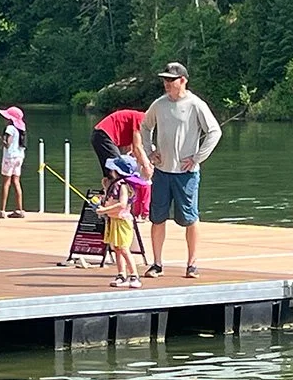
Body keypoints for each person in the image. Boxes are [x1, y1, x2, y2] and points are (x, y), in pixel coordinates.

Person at [140, 62, 222, 279]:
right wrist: (150, 151)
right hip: (162, 171)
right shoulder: (159, 105)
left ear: (183, 80)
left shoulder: (196, 104)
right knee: (157, 218)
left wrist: (197, 158)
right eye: (165, 80)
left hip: (186, 174)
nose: (167, 84)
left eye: (171, 80)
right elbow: (145, 127)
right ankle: (156, 264)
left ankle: (192, 264)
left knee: (190, 218)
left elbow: (214, 132)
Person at [97, 154, 142, 289]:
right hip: (114, 220)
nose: (110, 171)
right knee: (116, 248)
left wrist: (105, 210)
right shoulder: (114, 185)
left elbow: (122, 204)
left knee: (123, 248)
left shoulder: (123, 186)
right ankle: (121, 274)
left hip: (122, 221)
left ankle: (134, 275)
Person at [91, 108, 153, 182]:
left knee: (112, 172)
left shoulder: (138, 120)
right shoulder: (142, 118)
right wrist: (146, 167)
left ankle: (109, 189)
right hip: (104, 135)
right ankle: (116, 190)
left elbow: (133, 150)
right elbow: (137, 148)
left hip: (100, 135)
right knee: (118, 170)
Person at [0, 105, 27, 218]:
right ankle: (20, 210)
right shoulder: (21, 129)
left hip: (9, 158)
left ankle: (2, 211)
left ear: (10, 119)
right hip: (19, 157)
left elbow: (7, 144)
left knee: (6, 182)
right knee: (16, 182)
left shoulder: (10, 129)